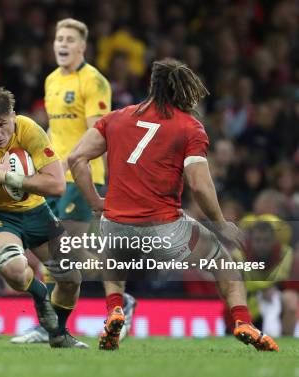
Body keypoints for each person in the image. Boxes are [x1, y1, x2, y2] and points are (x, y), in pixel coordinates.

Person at [69, 58, 279, 352]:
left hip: (116, 224)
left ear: (151, 87)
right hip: (165, 228)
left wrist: (95, 202)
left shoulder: (115, 118)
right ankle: (243, 321)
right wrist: (220, 224)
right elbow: (200, 185)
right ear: (182, 90)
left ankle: (115, 309)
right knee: (222, 262)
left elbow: (76, 158)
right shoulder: (188, 126)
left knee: (113, 260)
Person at [13, 18, 136, 345]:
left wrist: (107, 180)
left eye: (69, 39)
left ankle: (52, 327)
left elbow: (102, 133)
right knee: (63, 255)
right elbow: (56, 130)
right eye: (58, 39)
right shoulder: (52, 80)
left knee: (64, 255)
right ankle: (120, 299)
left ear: (83, 46)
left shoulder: (94, 81)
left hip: (82, 177)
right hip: (53, 177)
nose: (62, 44)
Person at [0, 86, 86, 348]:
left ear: (13, 116)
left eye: (2, 125)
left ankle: (57, 333)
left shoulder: (30, 130)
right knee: (13, 268)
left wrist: (11, 178)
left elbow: (57, 185)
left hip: (35, 210)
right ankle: (39, 293)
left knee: (71, 278)